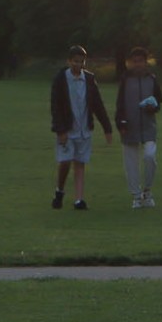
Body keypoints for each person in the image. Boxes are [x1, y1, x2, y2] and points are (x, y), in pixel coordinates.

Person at [48, 45, 112, 211]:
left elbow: (98, 104)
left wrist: (107, 128)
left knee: (80, 163)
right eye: (75, 61)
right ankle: (60, 190)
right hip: (67, 129)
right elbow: (55, 106)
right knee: (65, 161)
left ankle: (79, 199)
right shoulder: (61, 79)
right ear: (69, 61)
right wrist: (60, 130)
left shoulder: (89, 79)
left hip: (84, 128)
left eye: (81, 61)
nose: (78, 64)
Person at [114, 46, 162, 209]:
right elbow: (120, 103)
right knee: (131, 163)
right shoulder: (125, 79)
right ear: (130, 63)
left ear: (146, 62)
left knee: (150, 157)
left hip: (148, 126)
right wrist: (121, 122)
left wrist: (153, 107)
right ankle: (136, 195)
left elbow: (159, 100)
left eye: (140, 61)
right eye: (134, 61)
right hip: (129, 125)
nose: (137, 64)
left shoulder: (151, 79)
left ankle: (147, 190)